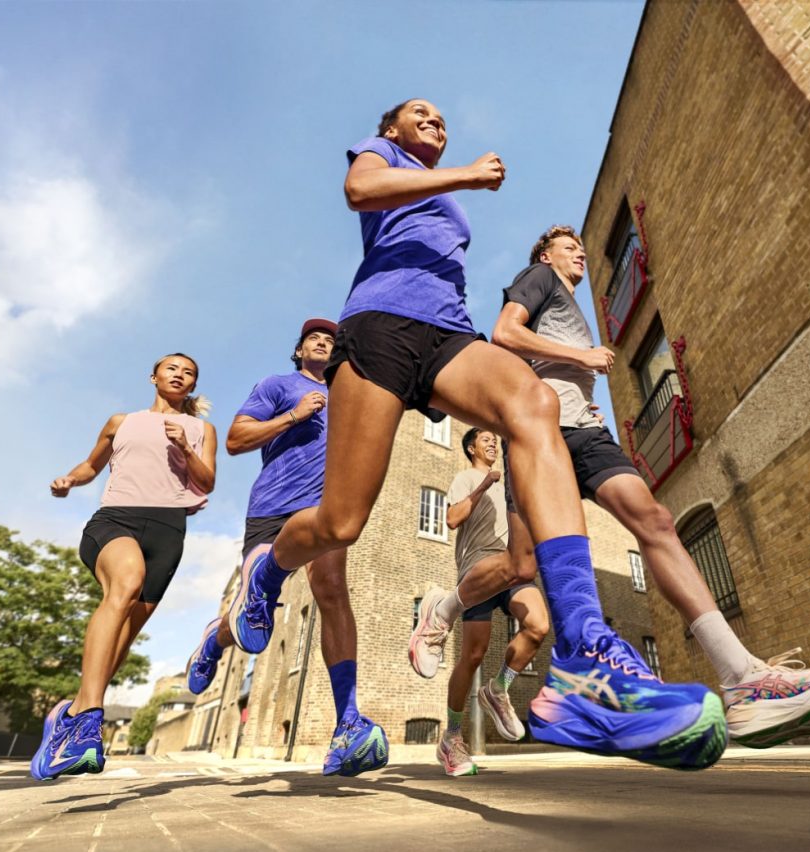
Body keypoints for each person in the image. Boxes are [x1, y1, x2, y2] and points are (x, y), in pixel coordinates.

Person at [231, 98, 726, 771]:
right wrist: (462, 175)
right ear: (392, 129)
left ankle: (582, 654)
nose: (435, 119)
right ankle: (267, 571)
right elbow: (360, 191)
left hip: (447, 335)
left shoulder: (443, 194)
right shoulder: (383, 157)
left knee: (534, 401)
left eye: (440, 116)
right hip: (380, 326)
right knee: (341, 522)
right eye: (419, 113)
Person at [416, 225, 810, 749]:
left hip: (585, 433)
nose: (580, 252)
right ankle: (444, 609)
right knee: (520, 566)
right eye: (569, 246)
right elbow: (505, 334)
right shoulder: (539, 278)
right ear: (545, 253)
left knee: (654, 520)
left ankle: (743, 678)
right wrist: (581, 359)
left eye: (582, 246)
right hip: (540, 434)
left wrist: (583, 393)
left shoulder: (573, 308)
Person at [186, 319, 387, 777]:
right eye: (314, 339)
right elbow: (236, 440)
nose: (323, 342)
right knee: (249, 623)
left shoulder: (349, 394)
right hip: (274, 506)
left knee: (333, 592)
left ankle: (348, 721)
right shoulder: (278, 385)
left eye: (331, 340)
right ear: (298, 352)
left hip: (323, 507)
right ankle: (212, 643)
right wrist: (294, 415)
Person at [32, 353, 217, 781]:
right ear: (154, 376)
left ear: (192, 387)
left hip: (168, 532)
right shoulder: (122, 421)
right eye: (172, 368)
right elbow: (91, 465)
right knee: (125, 583)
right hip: (116, 519)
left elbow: (205, 482)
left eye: (188, 373)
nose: (180, 374)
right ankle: (87, 722)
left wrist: (186, 448)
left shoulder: (200, 429)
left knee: (126, 631)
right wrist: (68, 480)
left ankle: (69, 713)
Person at [435, 428, 549, 776]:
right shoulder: (466, 477)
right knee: (472, 655)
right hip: (479, 569)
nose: (492, 443)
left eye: (494, 440)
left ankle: (498, 688)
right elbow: (453, 519)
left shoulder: (510, 486)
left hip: (512, 566)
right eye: (485, 439)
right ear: (471, 447)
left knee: (538, 625)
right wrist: (484, 485)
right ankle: (452, 738)